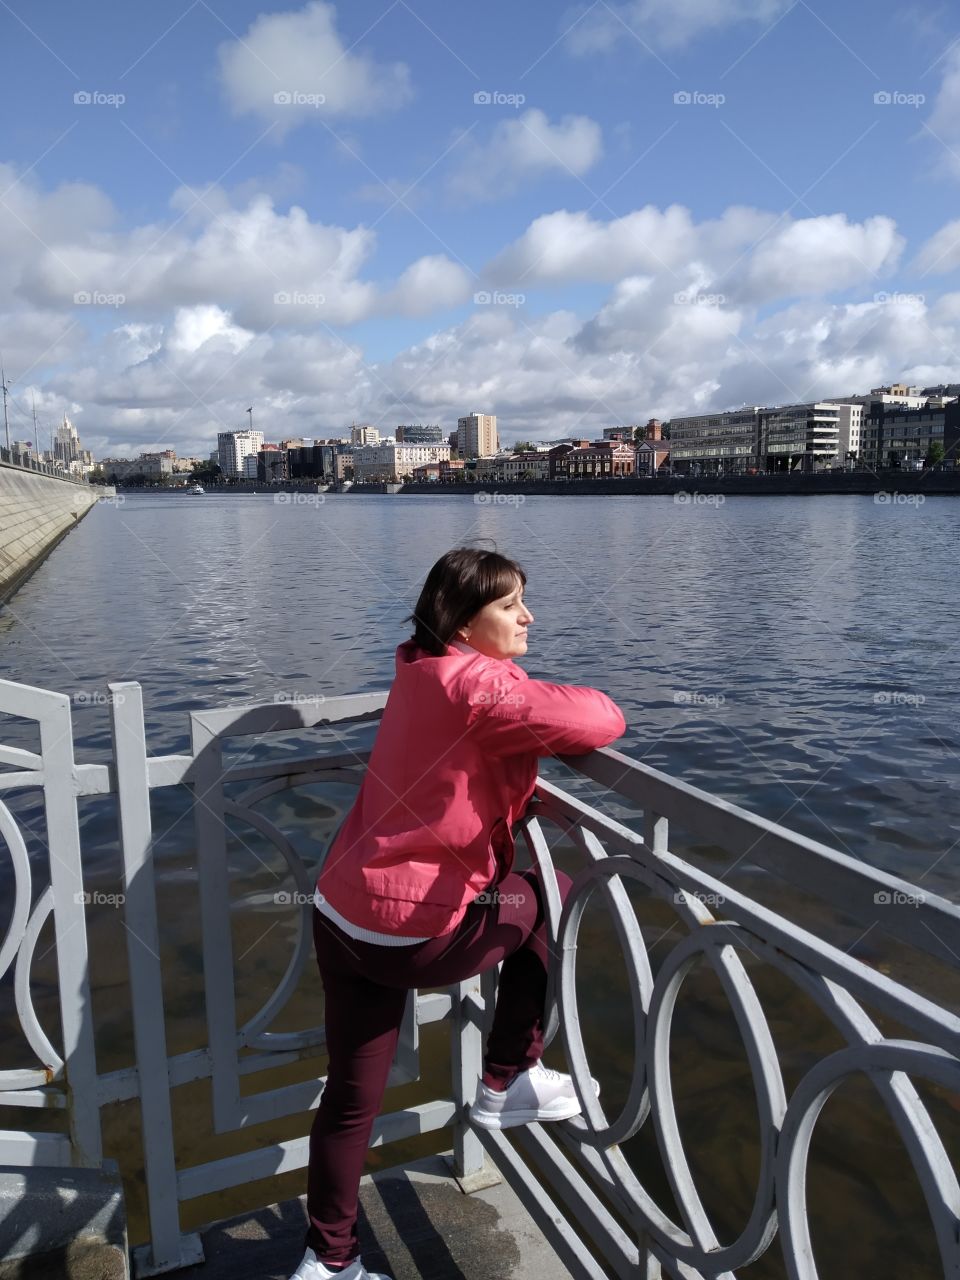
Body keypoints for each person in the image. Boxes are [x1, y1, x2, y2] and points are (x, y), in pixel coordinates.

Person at [290, 546, 627, 1280]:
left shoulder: (417, 667)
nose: (529, 616)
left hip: (341, 913)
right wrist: (508, 683)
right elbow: (603, 718)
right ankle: (507, 1078)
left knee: (350, 1100)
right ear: (464, 624)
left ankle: (328, 1260)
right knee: (548, 894)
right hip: (405, 932)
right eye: (511, 607)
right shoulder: (479, 688)